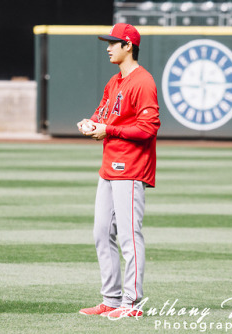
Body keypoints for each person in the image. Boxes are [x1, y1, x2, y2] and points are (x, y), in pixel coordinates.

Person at [77, 23, 160, 319]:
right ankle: (111, 300)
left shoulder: (143, 81)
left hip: (132, 167)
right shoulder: (114, 82)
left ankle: (132, 304)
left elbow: (149, 127)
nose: (108, 47)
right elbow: (102, 113)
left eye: (113, 43)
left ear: (128, 46)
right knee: (101, 233)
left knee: (129, 236)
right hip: (109, 167)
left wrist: (108, 129)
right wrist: (90, 123)